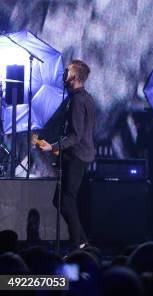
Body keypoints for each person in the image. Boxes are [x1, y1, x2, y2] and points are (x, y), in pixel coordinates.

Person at [37, 60, 96, 249]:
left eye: (67, 71)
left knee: (65, 200)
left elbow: (76, 135)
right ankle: (82, 242)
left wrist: (53, 146)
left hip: (77, 156)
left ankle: (77, 243)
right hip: (75, 155)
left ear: (75, 77)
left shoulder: (79, 100)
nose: (64, 74)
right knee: (62, 200)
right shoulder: (80, 97)